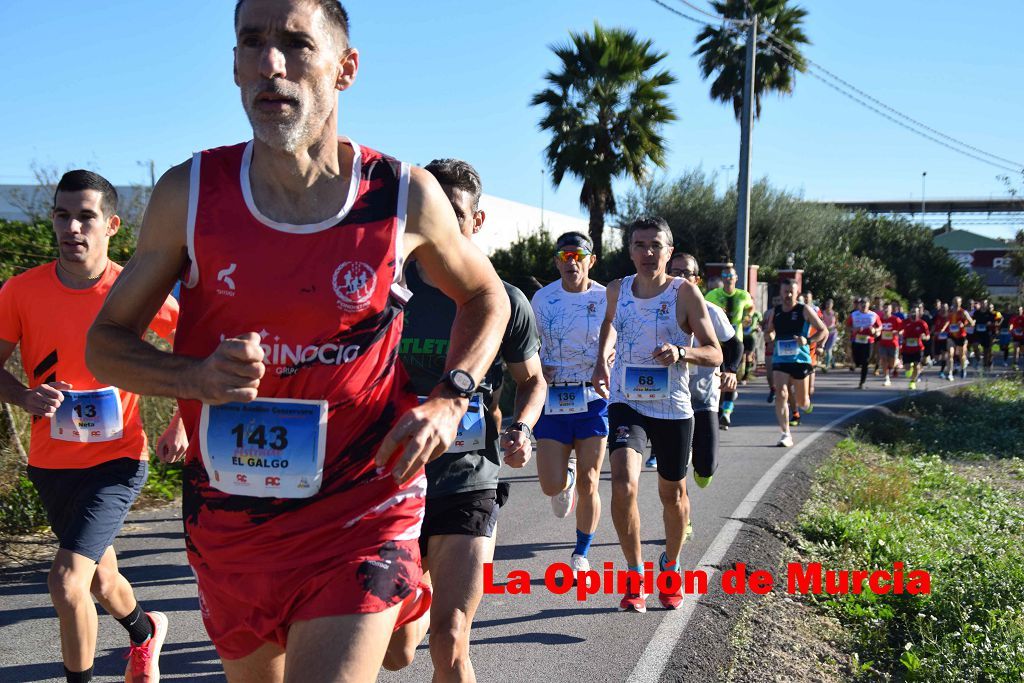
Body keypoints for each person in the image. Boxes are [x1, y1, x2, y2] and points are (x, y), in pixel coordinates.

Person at [85, 2, 512, 680]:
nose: (269, 63)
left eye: (294, 43)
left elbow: (488, 296)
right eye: (251, 43)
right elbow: (103, 345)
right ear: (232, 65)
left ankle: (398, 598)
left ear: (345, 69)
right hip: (233, 523)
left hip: (362, 506)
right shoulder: (189, 194)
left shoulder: (402, 195)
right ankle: (404, 612)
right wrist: (195, 377)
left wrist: (451, 397)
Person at [0, 170, 181, 683]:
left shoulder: (134, 289)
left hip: (118, 461)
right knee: (101, 580)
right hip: (51, 463)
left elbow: (191, 344)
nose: (71, 227)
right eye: (62, 214)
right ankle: (146, 633)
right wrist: (24, 396)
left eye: (86, 216)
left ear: (112, 225)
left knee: (66, 582)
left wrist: (182, 421)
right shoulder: (20, 291)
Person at [385, 159, 544, 681]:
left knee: (450, 639)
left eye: (453, 213)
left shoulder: (505, 300)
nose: (440, 225)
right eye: (429, 211)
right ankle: (418, 589)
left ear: (477, 222)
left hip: (468, 478)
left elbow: (532, 381)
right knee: (396, 652)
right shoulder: (384, 288)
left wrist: (521, 427)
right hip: (391, 479)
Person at [592, 217, 721, 612]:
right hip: (626, 401)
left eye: (655, 246)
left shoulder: (685, 294)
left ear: (668, 250)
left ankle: (671, 566)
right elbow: (610, 325)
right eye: (639, 245)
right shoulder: (616, 290)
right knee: (623, 484)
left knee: (673, 494)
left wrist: (682, 352)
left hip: (673, 408)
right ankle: (634, 575)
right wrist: (601, 359)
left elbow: (714, 352)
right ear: (630, 250)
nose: (647, 253)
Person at [530, 231, 607, 573]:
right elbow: (527, 344)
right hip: (555, 398)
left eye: (578, 256)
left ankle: (581, 553)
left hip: (593, 399)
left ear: (591, 260)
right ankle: (566, 479)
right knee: (550, 486)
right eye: (564, 256)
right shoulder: (542, 299)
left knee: (593, 479)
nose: (571, 262)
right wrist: (536, 366)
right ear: (557, 262)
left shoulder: (608, 298)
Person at [668, 253, 740, 487]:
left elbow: (733, 345)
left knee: (706, 468)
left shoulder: (712, 312)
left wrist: (730, 370)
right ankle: (681, 512)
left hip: (703, 396)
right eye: (674, 273)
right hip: (669, 398)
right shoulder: (659, 311)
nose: (679, 278)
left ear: (696, 279)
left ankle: (699, 466)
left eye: (685, 273)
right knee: (673, 469)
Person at [764, 280, 828, 447]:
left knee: (801, 401)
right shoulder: (775, 312)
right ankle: (785, 434)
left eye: (791, 292)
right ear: (781, 292)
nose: (788, 295)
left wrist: (807, 340)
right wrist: (768, 336)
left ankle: (806, 405)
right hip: (780, 359)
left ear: (797, 292)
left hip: (800, 359)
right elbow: (770, 332)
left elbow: (823, 330)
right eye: (785, 292)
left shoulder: (804, 310)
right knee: (781, 394)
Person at [704, 265, 753, 430]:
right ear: (722, 278)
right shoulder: (713, 295)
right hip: (717, 343)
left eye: (731, 275)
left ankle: (726, 412)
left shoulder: (743, 295)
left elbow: (750, 308)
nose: (728, 278)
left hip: (735, 342)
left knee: (731, 376)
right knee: (719, 377)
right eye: (725, 275)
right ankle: (719, 409)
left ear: (736, 278)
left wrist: (748, 318)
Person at [845, 297, 882, 390]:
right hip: (856, 340)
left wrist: (875, 330)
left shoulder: (873, 315)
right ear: (859, 305)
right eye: (862, 304)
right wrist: (854, 329)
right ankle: (856, 364)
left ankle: (862, 382)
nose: (864, 306)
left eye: (866, 304)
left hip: (868, 341)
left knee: (865, 362)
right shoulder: (854, 315)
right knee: (857, 360)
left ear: (869, 305)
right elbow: (847, 327)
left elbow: (880, 327)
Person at [901, 303, 930, 390]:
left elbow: (928, 336)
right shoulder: (905, 322)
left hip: (918, 348)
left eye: (916, 312)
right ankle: (909, 370)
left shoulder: (922, 324)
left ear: (919, 313)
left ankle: (912, 382)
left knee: (917, 366)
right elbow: (899, 331)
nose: (914, 314)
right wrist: (900, 334)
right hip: (906, 348)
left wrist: (924, 337)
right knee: (907, 368)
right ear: (910, 313)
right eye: (912, 312)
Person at [946, 296, 974, 380]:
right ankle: (950, 373)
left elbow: (972, 323)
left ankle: (963, 368)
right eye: (954, 302)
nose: (955, 304)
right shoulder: (950, 312)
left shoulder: (963, 312)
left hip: (961, 336)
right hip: (951, 335)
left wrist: (963, 325)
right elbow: (947, 321)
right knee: (950, 354)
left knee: (961, 356)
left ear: (960, 303)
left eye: (957, 302)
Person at [877, 302, 903, 386]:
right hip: (883, 343)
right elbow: (876, 328)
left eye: (887, 308)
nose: (885, 310)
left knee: (892, 363)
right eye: (884, 308)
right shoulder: (880, 319)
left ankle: (897, 363)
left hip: (893, 344)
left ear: (891, 310)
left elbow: (903, 330)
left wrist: (897, 332)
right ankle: (887, 378)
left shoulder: (896, 319)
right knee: (884, 360)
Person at [820, 298, 839, 372]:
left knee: (828, 349)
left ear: (832, 305)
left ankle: (827, 366)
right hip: (825, 333)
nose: (828, 305)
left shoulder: (835, 313)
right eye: (827, 304)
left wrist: (832, 327)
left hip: (833, 333)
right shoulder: (822, 313)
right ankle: (833, 361)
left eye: (829, 304)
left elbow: (837, 324)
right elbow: (820, 321)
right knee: (825, 349)